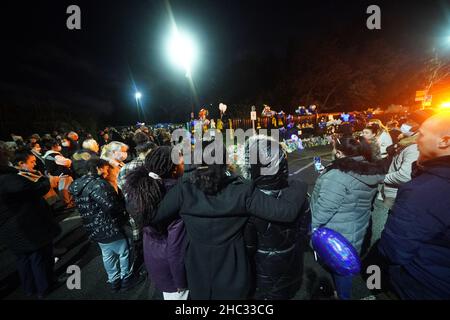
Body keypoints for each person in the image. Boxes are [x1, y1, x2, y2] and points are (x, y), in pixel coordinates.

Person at [151, 139, 308, 299]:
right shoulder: (242, 190)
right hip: (233, 273)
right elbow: (285, 212)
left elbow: (152, 215)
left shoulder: (184, 189)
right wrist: (299, 185)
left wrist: (147, 179)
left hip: (198, 273)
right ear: (225, 160)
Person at [378, 112, 450, 299]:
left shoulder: (423, 192)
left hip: (423, 285)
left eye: (423, 134)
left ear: (444, 141)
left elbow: (393, 251)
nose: (416, 139)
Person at [310, 136, 385, 299]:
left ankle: (343, 296)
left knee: (339, 266)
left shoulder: (338, 175)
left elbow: (325, 208)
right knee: (345, 264)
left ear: (338, 153)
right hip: (357, 227)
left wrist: (312, 227)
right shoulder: (368, 169)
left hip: (336, 230)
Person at [241, 135, 310, 300]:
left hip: (263, 273)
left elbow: (248, 247)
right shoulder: (299, 194)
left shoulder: (249, 202)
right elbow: (304, 232)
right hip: (292, 265)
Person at [69, 159, 144, 292]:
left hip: (93, 227)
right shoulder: (99, 185)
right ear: (99, 168)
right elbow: (111, 206)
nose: (108, 170)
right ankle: (127, 278)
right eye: (106, 168)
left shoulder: (78, 184)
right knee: (124, 252)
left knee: (108, 254)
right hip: (110, 226)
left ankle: (114, 280)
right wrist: (123, 212)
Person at [123, 146, 188, 300]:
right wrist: (180, 280)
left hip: (154, 255)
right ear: (173, 169)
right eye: (181, 161)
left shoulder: (144, 191)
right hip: (173, 266)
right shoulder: (174, 198)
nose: (185, 163)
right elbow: (176, 246)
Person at [0, 144, 61, 298]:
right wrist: (48, 182)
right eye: (4, 154)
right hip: (25, 225)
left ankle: (30, 288)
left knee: (24, 259)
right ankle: (44, 287)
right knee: (39, 256)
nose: (7, 157)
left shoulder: (8, 175)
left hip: (11, 227)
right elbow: (28, 189)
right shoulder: (6, 178)